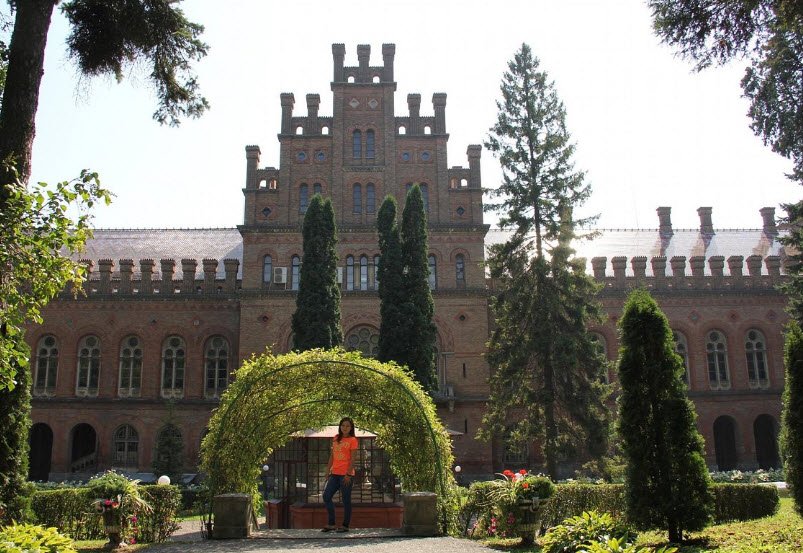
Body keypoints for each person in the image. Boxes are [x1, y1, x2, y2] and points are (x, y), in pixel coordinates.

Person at [321, 417, 358, 532]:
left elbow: (353, 459)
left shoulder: (353, 440)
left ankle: (345, 525)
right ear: (340, 427)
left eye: (347, 426)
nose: (345, 428)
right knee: (326, 496)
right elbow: (332, 456)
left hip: (346, 475)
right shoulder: (336, 438)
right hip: (335, 474)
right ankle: (331, 523)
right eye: (343, 425)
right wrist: (328, 470)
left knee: (346, 500)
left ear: (351, 428)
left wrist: (348, 474)